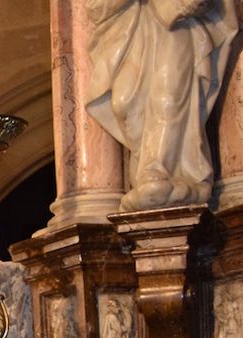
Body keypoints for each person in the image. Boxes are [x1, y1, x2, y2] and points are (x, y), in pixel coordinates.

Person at [87, 0, 237, 210]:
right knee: (122, 104)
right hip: (131, 28)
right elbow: (95, 8)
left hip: (177, 28)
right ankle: (148, 168)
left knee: (169, 99)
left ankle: (161, 170)